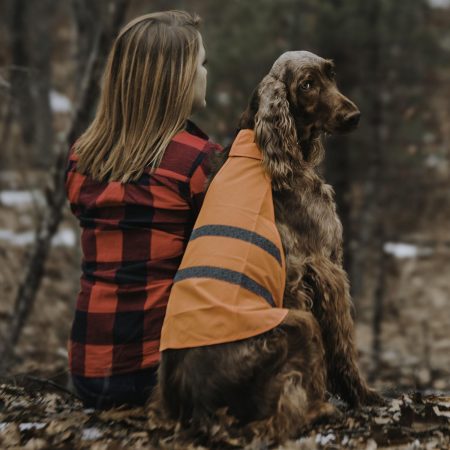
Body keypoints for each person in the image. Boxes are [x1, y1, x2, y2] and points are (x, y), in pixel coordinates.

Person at [64, 10, 221, 409]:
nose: (206, 73)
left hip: (87, 371)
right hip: (161, 373)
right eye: (200, 64)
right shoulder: (200, 161)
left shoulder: (82, 157)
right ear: (176, 79)